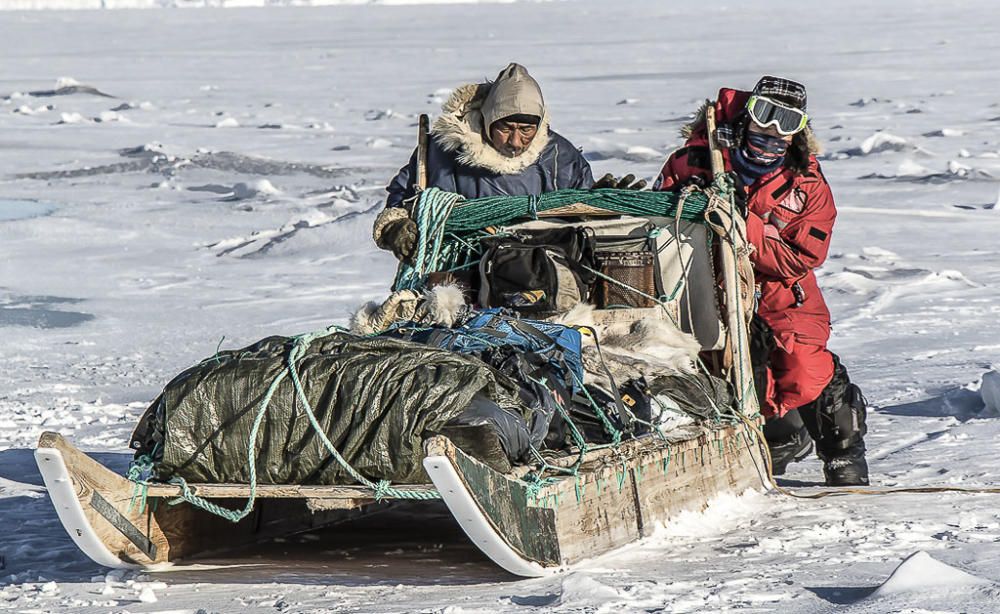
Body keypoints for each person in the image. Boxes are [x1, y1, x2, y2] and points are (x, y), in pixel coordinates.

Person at [654, 76, 869, 486]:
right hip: (709, 287)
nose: (771, 131)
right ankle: (774, 438)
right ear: (745, 116)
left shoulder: (806, 185)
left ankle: (842, 450)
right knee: (720, 372)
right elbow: (661, 224)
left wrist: (744, 223)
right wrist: (693, 207)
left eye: (786, 121)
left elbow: (802, 256)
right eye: (764, 115)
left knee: (805, 372)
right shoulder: (693, 162)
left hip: (783, 295)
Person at [374, 63, 595, 261]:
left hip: (543, 265)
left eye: (526, 130)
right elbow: (403, 198)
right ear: (487, 119)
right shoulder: (441, 152)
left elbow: (585, 215)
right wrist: (395, 227)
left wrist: (602, 201)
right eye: (505, 129)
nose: (515, 142)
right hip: (457, 267)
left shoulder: (558, 156)